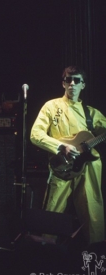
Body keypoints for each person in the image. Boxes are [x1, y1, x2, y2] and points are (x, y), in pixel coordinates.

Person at [30, 65, 106, 245]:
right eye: (68, 80)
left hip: (88, 167)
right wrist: (59, 146)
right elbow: (35, 134)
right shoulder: (51, 106)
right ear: (63, 83)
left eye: (77, 80)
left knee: (93, 211)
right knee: (52, 210)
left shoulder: (91, 113)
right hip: (61, 167)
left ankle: (97, 258)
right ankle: (46, 255)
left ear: (83, 85)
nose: (72, 84)